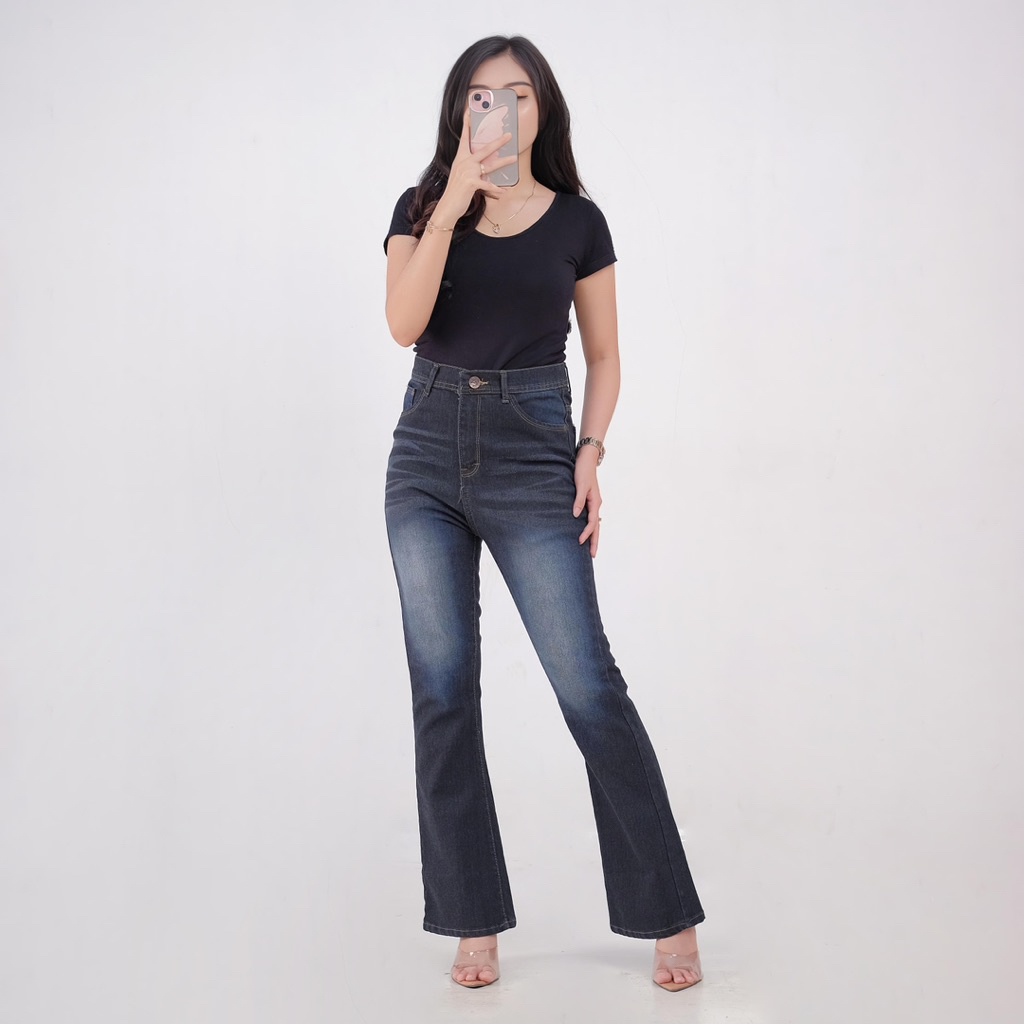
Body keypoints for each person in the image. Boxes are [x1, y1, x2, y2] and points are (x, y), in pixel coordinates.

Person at [382, 35, 706, 992]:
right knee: (444, 690)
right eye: (482, 95)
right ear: (460, 110)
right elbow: (402, 324)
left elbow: (603, 356)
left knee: (587, 685)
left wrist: (591, 452)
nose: (501, 111)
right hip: (426, 455)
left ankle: (666, 910)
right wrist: (452, 200)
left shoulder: (578, 221)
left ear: (543, 110)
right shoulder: (418, 209)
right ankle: (471, 919)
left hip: (534, 453)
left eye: (518, 94)